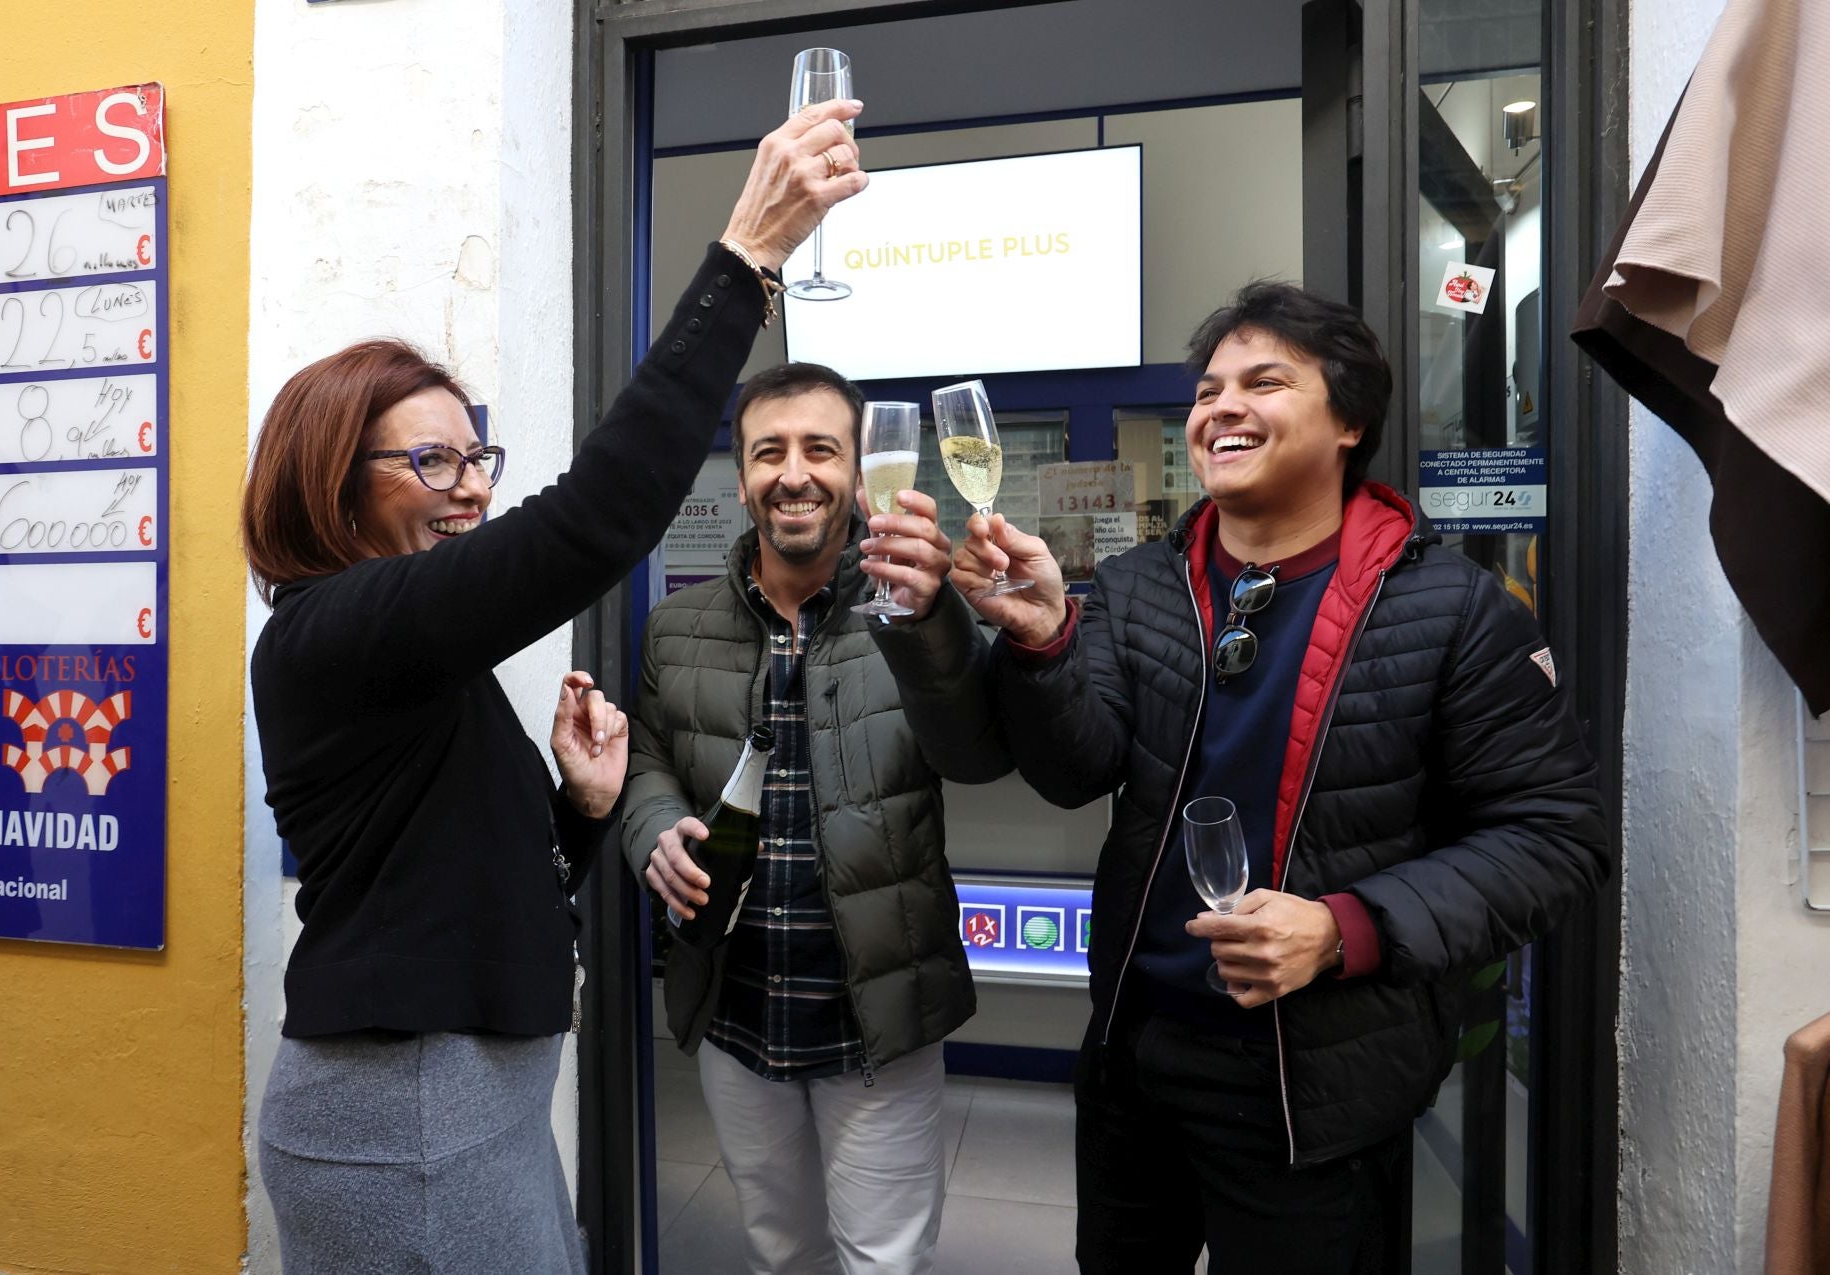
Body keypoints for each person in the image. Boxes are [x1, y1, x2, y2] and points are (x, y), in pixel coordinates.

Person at [242, 101, 868, 1273]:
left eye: (476, 455)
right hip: (406, 1118)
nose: (470, 486)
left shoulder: (398, 649)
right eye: (431, 459)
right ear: (332, 483)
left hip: (461, 1100)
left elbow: (454, 873)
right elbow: (591, 522)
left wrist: (581, 813)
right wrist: (747, 261)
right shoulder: (334, 629)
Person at [946, 283, 1609, 1273]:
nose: (1220, 409)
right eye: (1209, 389)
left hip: (1322, 1085)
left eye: (1264, 381)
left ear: (1349, 421)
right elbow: (1073, 772)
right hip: (1140, 1055)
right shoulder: (1138, 589)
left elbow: (1556, 837)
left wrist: (1345, 927)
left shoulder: (1456, 612)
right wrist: (1045, 641)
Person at [623, 361, 1010, 1274]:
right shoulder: (675, 627)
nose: (793, 472)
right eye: (769, 451)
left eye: (820, 449)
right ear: (743, 470)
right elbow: (644, 757)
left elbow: (979, 754)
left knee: (882, 1258)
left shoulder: (915, 609)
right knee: (779, 1248)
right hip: (735, 1005)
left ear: (861, 469)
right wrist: (653, 829)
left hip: (875, 1007)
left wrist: (937, 620)